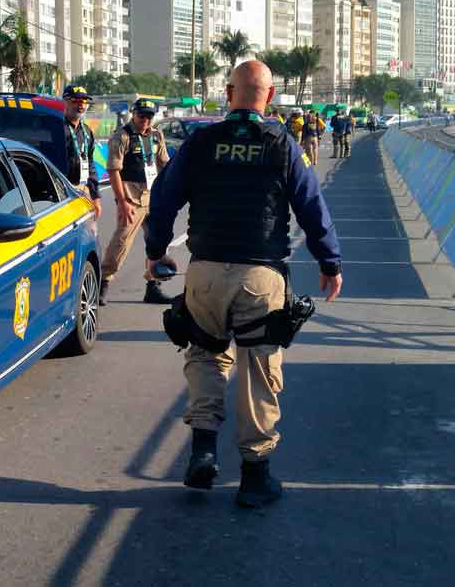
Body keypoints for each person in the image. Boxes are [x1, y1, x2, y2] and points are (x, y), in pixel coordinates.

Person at [145, 60, 343, 508]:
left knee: (206, 356)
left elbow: (163, 200)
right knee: (258, 370)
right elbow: (311, 207)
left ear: (229, 93)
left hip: (206, 272)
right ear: (269, 97)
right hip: (260, 276)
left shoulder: (201, 141)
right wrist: (330, 262)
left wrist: (156, 251)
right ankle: (255, 477)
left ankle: (202, 451)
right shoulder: (282, 143)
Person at [100, 97, 171, 306]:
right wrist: (122, 201)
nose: (146, 121)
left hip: (153, 195)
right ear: (133, 113)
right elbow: (113, 170)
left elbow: (164, 164)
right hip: (131, 196)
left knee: (158, 241)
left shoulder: (157, 136)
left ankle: (153, 285)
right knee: (121, 241)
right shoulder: (122, 136)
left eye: (150, 117)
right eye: (142, 116)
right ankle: (103, 282)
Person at [61, 85, 101, 219]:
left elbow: (90, 164)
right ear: (65, 101)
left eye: (84, 101)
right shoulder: (57, 129)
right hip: (62, 193)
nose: (81, 105)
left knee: (87, 231)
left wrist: (95, 197)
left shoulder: (87, 131)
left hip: (83, 190)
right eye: (76, 101)